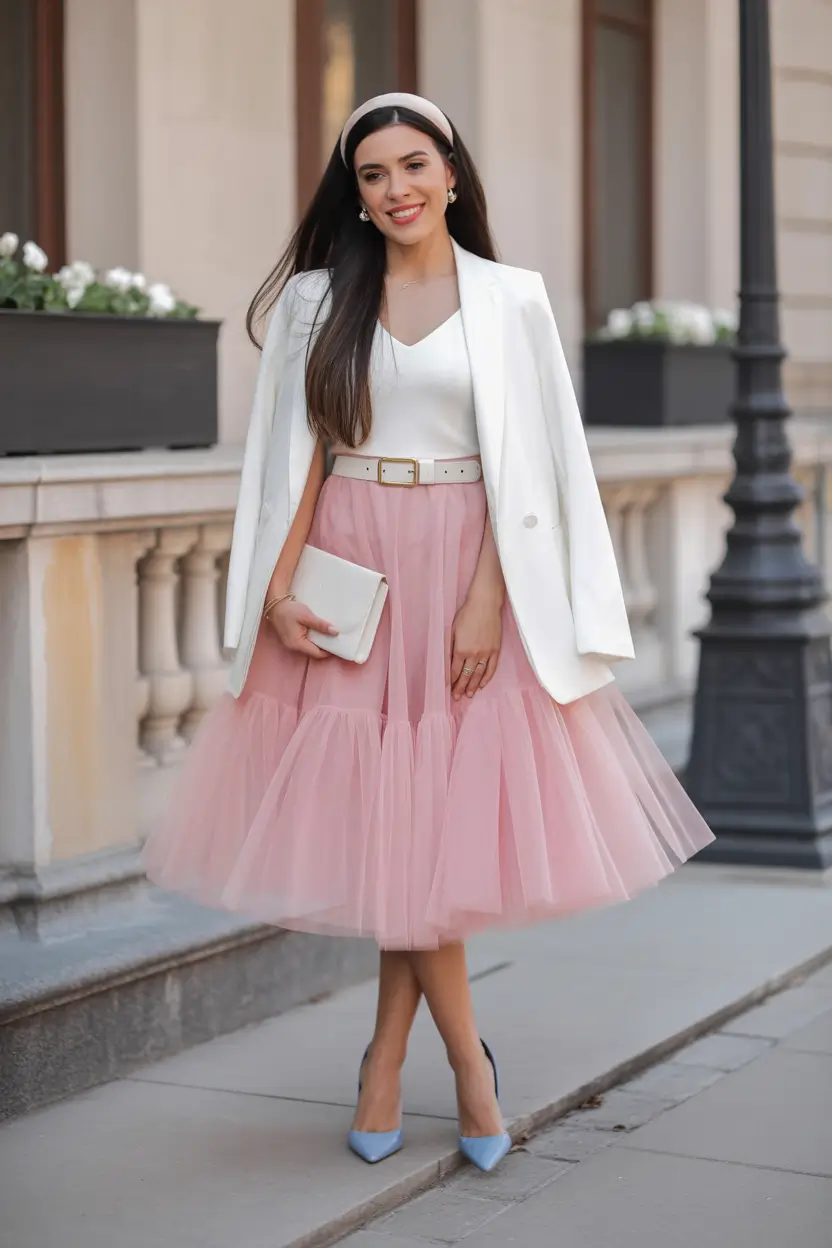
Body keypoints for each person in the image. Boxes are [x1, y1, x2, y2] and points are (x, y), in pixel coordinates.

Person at [143, 92, 715, 1173]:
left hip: (464, 563)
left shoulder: (510, 298)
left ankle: (392, 1064)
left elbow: (530, 461)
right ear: (355, 195)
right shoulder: (317, 300)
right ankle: (464, 1069)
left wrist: (487, 594)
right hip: (352, 571)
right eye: (373, 174)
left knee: (422, 837)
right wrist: (274, 591)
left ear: (451, 173)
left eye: (414, 165)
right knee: (396, 833)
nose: (395, 188)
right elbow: (298, 457)